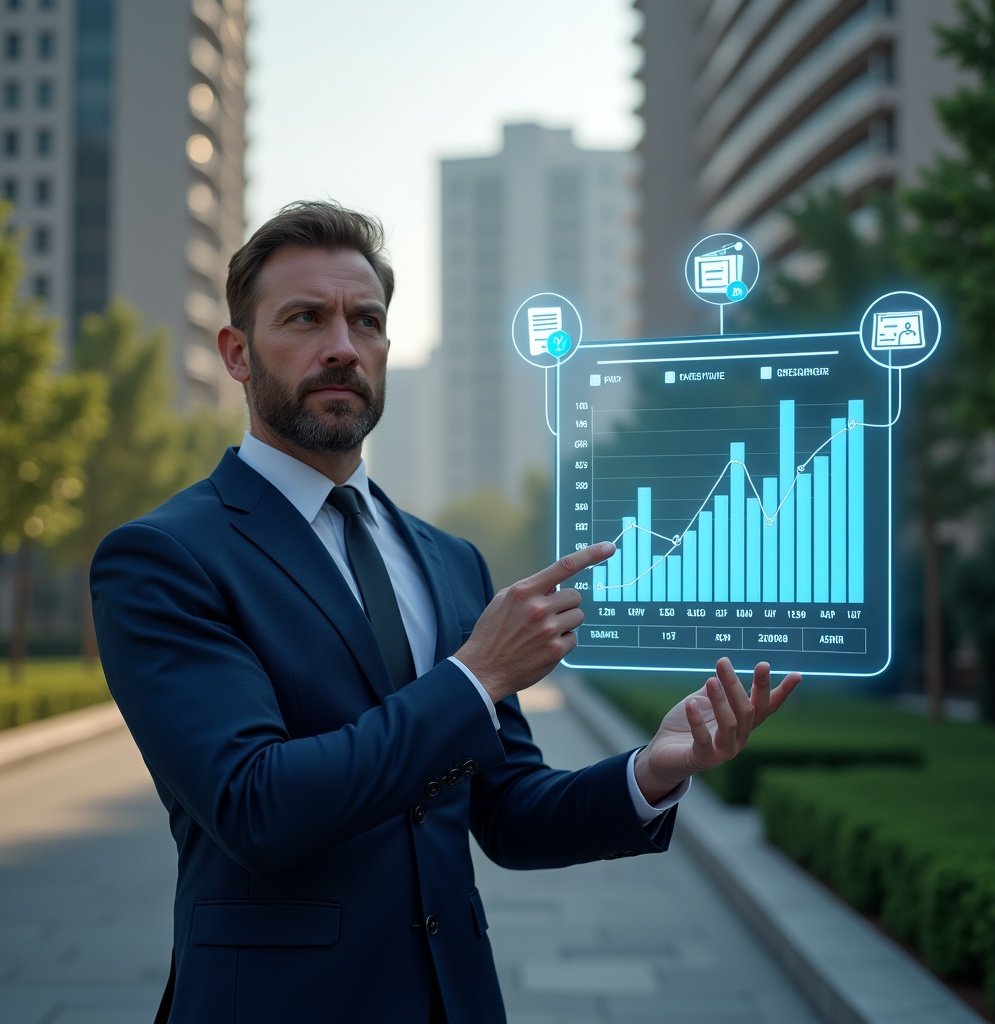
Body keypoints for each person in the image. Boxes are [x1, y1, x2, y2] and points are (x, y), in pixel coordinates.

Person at [91, 200, 801, 1024]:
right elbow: (256, 806)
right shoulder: (165, 557)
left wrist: (653, 769)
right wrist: (478, 674)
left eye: (366, 321)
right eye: (305, 319)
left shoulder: (449, 560)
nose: (342, 348)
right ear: (237, 354)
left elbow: (505, 811)